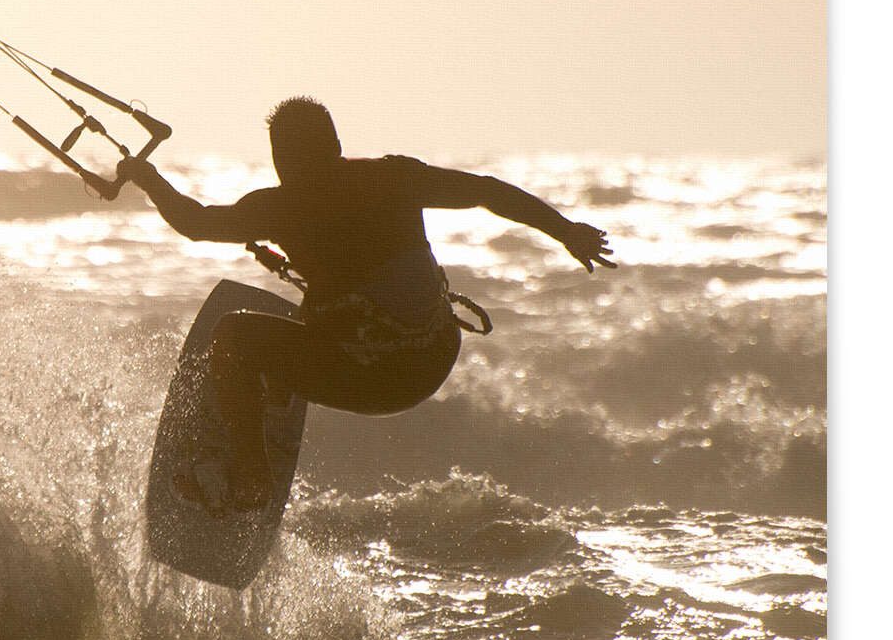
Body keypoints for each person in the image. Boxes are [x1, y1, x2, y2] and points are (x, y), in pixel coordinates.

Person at [120, 97, 617, 512]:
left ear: (280, 159)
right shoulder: (394, 177)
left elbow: (197, 223)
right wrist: (565, 231)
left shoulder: (282, 204)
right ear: (336, 144)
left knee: (233, 334)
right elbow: (487, 193)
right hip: (432, 359)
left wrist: (147, 178)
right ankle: (273, 391)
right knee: (320, 313)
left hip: (371, 378)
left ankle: (250, 476)